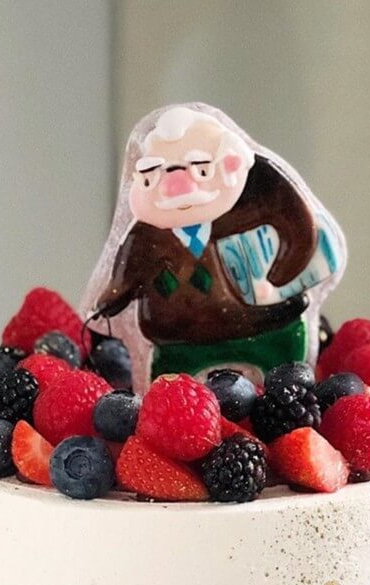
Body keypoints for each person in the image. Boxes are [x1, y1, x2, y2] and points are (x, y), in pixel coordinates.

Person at [85, 105, 345, 386]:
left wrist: (282, 275)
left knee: (286, 377)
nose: (177, 187)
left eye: (201, 170)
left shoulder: (249, 214)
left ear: (233, 165)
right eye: (152, 176)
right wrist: (110, 300)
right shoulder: (147, 238)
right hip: (175, 339)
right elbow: (125, 278)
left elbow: (298, 230)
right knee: (170, 393)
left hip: (265, 326)